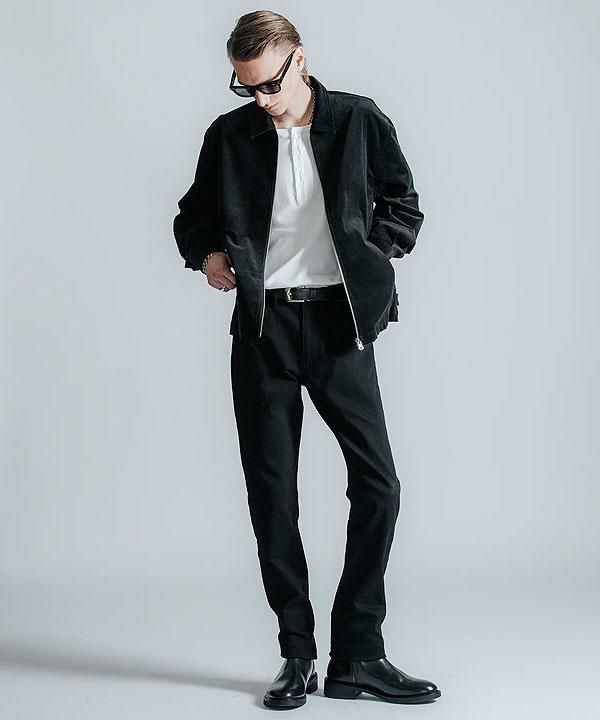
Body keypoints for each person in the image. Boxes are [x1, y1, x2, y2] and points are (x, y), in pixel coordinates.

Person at [173, 10, 441, 710]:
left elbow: (404, 204)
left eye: (270, 84)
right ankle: (297, 655)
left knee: (378, 486)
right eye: (247, 87)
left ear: (300, 58)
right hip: (263, 328)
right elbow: (192, 216)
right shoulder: (230, 136)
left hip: (338, 325)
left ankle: (359, 654)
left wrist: (369, 256)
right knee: (274, 496)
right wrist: (207, 254)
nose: (261, 99)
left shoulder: (357, 119)